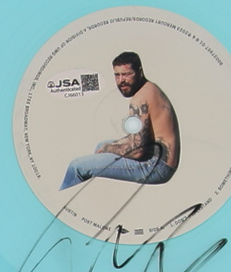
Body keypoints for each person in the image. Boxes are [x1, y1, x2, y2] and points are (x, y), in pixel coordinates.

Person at [59, 52, 180, 189]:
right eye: (117, 75)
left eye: (126, 74)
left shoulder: (140, 99)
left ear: (139, 72)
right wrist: (107, 147)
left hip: (156, 167)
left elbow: (137, 151)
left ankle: (63, 199)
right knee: (101, 146)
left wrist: (109, 148)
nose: (121, 80)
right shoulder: (151, 88)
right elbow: (140, 139)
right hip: (158, 159)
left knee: (76, 167)